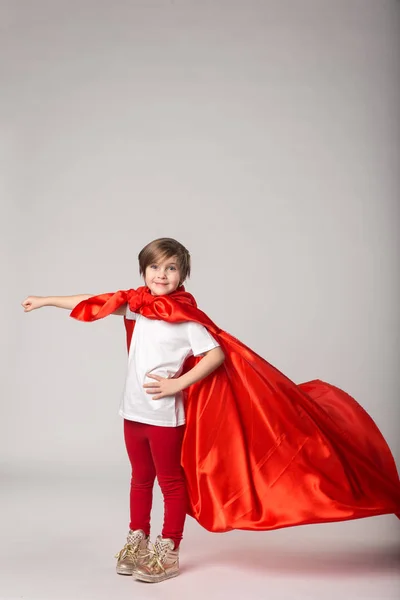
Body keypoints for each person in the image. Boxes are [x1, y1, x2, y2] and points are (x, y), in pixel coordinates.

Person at [22, 237, 400, 584]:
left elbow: (215, 355)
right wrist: (46, 300)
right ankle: (137, 537)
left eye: (171, 268)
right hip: (133, 413)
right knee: (140, 477)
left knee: (171, 481)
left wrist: (176, 385)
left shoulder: (185, 319)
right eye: (155, 267)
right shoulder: (137, 307)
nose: (162, 274)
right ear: (144, 271)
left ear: (183, 275)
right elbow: (92, 301)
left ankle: (168, 548)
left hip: (165, 417)